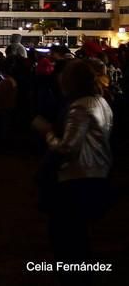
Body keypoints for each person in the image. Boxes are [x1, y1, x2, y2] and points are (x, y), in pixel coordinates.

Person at [33, 59, 114, 285]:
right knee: (78, 236)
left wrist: (47, 132)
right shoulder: (102, 102)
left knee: (67, 236)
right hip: (96, 173)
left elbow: (68, 147)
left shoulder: (80, 106)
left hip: (76, 177)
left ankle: (74, 276)